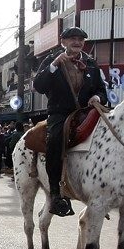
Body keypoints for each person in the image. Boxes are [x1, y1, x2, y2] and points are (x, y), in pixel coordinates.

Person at [33, 27, 109, 217]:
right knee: (55, 140)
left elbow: (102, 91)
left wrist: (97, 99)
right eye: (72, 39)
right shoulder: (52, 60)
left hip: (87, 112)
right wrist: (54, 65)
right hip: (61, 113)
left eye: (81, 39)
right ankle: (56, 193)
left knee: (112, 133)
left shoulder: (91, 63)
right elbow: (39, 86)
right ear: (63, 42)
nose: (77, 42)